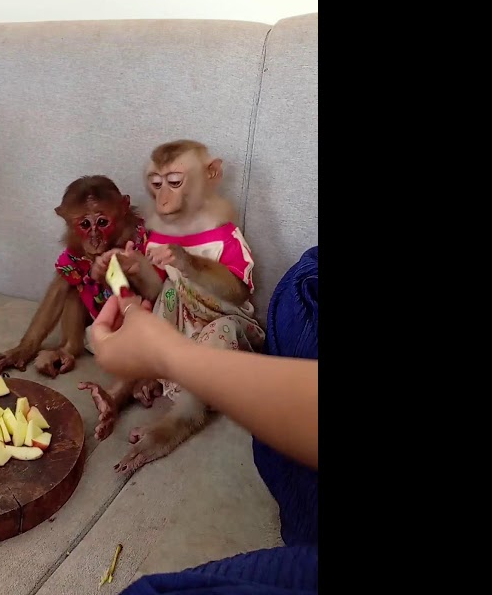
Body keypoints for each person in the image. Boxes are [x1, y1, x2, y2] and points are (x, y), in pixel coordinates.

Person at [90, 246, 320, 594]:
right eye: (155, 187)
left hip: (219, 334)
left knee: (296, 289)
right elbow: (156, 299)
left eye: (175, 185)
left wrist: (188, 263)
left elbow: (235, 294)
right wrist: (123, 271)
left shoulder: (222, 238)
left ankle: (183, 416)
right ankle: (143, 384)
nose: (163, 197)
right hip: (183, 339)